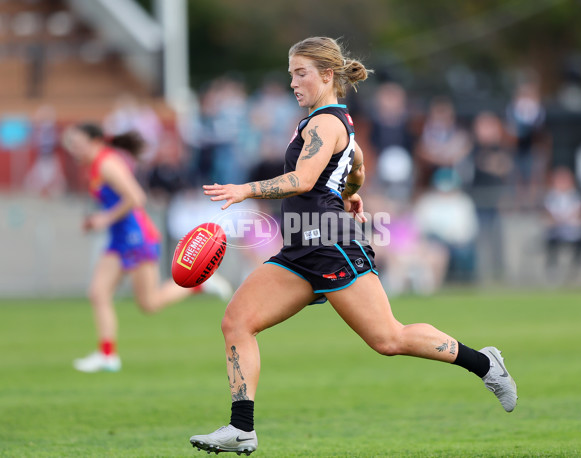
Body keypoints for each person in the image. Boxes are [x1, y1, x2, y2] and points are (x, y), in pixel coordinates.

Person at [189, 37, 517, 455]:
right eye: (291, 73)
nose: (293, 82)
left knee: (388, 339)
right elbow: (357, 164)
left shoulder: (325, 123)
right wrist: (350, 193)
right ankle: (242, 428)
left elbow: (303, 180)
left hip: (330, 244)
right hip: (299, 249)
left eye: (300, 73)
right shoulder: (325, 121)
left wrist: (243, 189)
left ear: (327, 75)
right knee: (236, 321)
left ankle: (484, 363)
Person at [62, 123, 232, 373]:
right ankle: (107, 355)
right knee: (98, 293)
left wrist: (103, 219)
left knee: (149, 304)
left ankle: (199, 283)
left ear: (95, 142)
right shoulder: (96, 166)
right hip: (119, 239)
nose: (73, 150)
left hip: (136, 237)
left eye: (77, 144)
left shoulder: (107, 164)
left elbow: (137, 198)